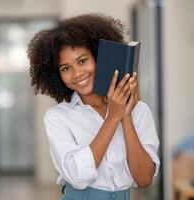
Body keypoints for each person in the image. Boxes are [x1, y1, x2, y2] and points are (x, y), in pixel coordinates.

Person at [28, 14, 160, 200]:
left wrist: (126, 116)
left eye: (82, 61)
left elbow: (144, 179)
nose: (77, 73)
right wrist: (113, 118)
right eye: (66, 68)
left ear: (99, 57)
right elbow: (78, 177)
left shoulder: (139, 110)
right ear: (56, 74)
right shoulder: (58, 116)